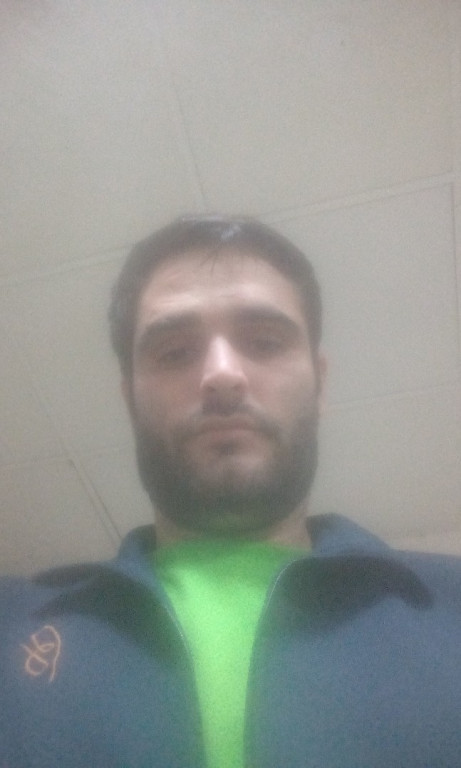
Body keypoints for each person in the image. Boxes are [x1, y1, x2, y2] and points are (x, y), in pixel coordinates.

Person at [1, 215, 461, 767]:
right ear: (130, 402)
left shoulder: (452, 607)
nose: (221, 373)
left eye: (265, 342)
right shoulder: (14, 628)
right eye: (175, 352)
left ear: (319, 384)